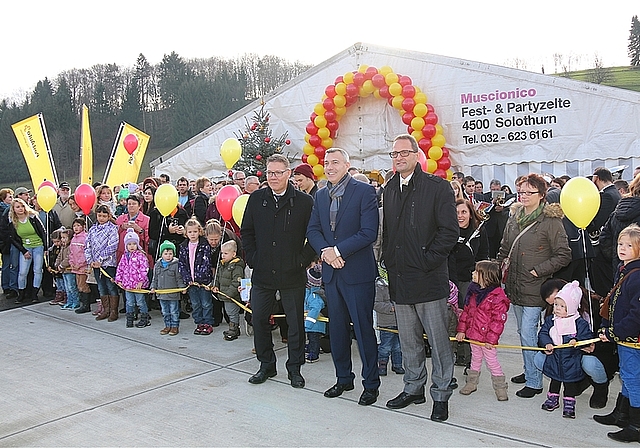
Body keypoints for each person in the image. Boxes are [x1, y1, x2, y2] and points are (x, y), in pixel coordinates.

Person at [381, 134, 458, 421]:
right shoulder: (388, 189)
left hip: (428, 279)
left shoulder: (437, 188)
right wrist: (389, 262)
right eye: (394, 154)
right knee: (409, 342)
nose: (398, 158)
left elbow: (449, 232)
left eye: (404, 152)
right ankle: (413, 388)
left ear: (416, 155)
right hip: (400, 280)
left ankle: (440, 395)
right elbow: (388, 232)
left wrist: (427, 261)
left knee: (438, 344)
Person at [307, 147, 380, 406]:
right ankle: (343, 378)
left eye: (335, 162)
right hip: (332, 274)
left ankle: (371, 383)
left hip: (357, 273)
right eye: (327, 162)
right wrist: (326, 252)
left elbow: (369, 232)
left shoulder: (364, 191)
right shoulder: (321, 195)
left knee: (362, 330)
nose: (330, 166)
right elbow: (313, 229)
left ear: (347, 165)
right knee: (337, 329)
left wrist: (337, 251)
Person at [241, 153, 314, 389]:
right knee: (259, 319)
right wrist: (253, 259)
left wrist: (301, 261)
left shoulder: (304, 202)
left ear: (288, 174)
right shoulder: (257, 199)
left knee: (295, 324)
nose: (272, 177)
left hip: (292, 274)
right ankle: (266, 365)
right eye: (269, 173)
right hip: (263, 273)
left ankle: (295, 369)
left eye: (277, 173)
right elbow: (247, 232)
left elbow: (314, 235)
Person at [497, 173, 571, 398]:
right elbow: (504, 246)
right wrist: (500, 266)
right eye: (521, 191)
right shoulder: (514, 215)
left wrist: (539, 270)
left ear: (541, 195)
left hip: (535, 286)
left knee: (529, 333)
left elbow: (564, 254)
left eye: (530, 192)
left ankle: (534, 381)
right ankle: (529, 368)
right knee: (521, 331)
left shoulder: (550, 221)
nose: (524, 195)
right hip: (514, 284)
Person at [595, 224, 640, 442]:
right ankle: (621, 414)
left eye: (629, 245)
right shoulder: (625, 270)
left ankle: (636, 425)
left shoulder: (637, 276)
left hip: (632, 339)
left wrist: (616, 333)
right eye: (620, 243)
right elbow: (614, 303)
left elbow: (636, 314)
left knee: (633, 379)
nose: (622, 248)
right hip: (622, 337)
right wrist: (607, 326)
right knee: (627, 375)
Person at [455, 261, 510, 401]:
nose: (472, 273)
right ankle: (471, 383)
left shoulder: (497, 297)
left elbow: (498, 321)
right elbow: (466, 313)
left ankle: (500, 387)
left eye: (476, 272)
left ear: (486, 277)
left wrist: (491, 340)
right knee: (475, 359)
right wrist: (462, 330)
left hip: (486, 339)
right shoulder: (473, 292)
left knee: (492, 362)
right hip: (474, 335)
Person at [537, 280, 593, 419]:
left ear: (572, 307)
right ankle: (552, 399)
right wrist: (547, 344)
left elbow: (587, 337)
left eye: (562, 306)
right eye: (556, 305)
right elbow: (543, 333)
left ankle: (569, 403)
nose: (557, 308)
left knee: (570, 383)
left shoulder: (579, 322)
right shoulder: (551, 320)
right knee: (554, 380)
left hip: (571, 359)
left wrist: (577, 342)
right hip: (555, 357)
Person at [589, 167, 622, 298]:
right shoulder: (615, 193)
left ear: (596, 178)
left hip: (604, 249)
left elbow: (598, 222)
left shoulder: (607, 195)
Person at [178, 218, 215, 335]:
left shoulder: (205, 245)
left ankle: (208, 323)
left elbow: (207, 262)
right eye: (190, 232)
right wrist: (187, 279)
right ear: (186, 233)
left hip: (203, 282)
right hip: (191, 283)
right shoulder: (183, 246)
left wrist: (200, 278)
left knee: (206, 303)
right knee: (195, 303)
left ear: (199, 231)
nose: (192, 234)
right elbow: (182, 264)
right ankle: (199, 323)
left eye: (195, 231)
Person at [85, 205, 120, 322]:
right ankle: (106, 310)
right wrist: (90, 260)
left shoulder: (112, 229)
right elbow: (88, 245)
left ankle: (114, 311)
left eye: (104, 216)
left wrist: (100, 259)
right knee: (101, 287)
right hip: (95, 264)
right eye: (99, 215)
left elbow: (113, 246)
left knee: (110, 286)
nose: (101, 218)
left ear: (109, 216)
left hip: (108, 263)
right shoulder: (93, 229)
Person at [8, 198, 46, 304]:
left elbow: (43, 232)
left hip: (38, 245)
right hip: (25, 247)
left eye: (22, 206)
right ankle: (21, 294)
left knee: (37, 270)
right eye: (18, 207)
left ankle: (35, 294)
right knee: (22, 272)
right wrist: (23, 250)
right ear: (14, 209)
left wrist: (46, 248)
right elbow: (13, 238)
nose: (21, 209)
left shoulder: (32, 217)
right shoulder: (13, 221)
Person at [115, 228, 151, 328]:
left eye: (134, 244)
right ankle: (129, 318)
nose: (132, 246)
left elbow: (144, 269)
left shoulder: (140, 255)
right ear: (126, 245)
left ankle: (145, 318)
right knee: (129, 302)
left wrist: (140, 281)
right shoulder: (124, 256)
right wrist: (118, 279)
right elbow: (120, 268)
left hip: (138, 285)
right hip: (127, 285)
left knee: (140, 301)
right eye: (129, 244)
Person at [150, 240, 186, 336]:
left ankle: (175, 326)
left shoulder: (176, 264)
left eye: (170, 253)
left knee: (174, 311)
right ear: (161, 254)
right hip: (161, 294)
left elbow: (179, 278)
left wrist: (182, 288)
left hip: (173, 294)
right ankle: (167, 325)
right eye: (166, 253)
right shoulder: (157, 265)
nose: (168, 256)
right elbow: (155, 278)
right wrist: (153, 287)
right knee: (165, 311)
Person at [212, 240, 245, 341]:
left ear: (234, 254)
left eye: (226, 253)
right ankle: (233, 327)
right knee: (229, 311)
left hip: (232, 296)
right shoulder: (222, 264)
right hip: (224, 294)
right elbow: (217, 276)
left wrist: (229, 294)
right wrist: (215, 285)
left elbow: (236, 282)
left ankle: (234, 328)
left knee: (232, 312)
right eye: (222, 253)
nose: (223, 255)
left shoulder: (237, 267)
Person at [304, 259, 325, 363]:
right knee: (311, 338)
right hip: (309, 322)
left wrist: (308, 323)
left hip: (315, 324)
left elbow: (315, 310)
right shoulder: (307, 292)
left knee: (314, 338)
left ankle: (314, 354)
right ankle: (310, 348)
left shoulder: (315, 296)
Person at [68, 218, 92, 313]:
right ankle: (83, 303)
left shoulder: (85, 238)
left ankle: (86, 305)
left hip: (83, 267)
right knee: (79, 285)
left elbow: (85, 253)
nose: (76, 228)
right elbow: (71, 253)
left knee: (83, 285)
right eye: (74, 226)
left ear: (83, 226)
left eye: (78, 225)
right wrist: (72, 262)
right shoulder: (73, 238)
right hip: (75, 267)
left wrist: (80, 264)